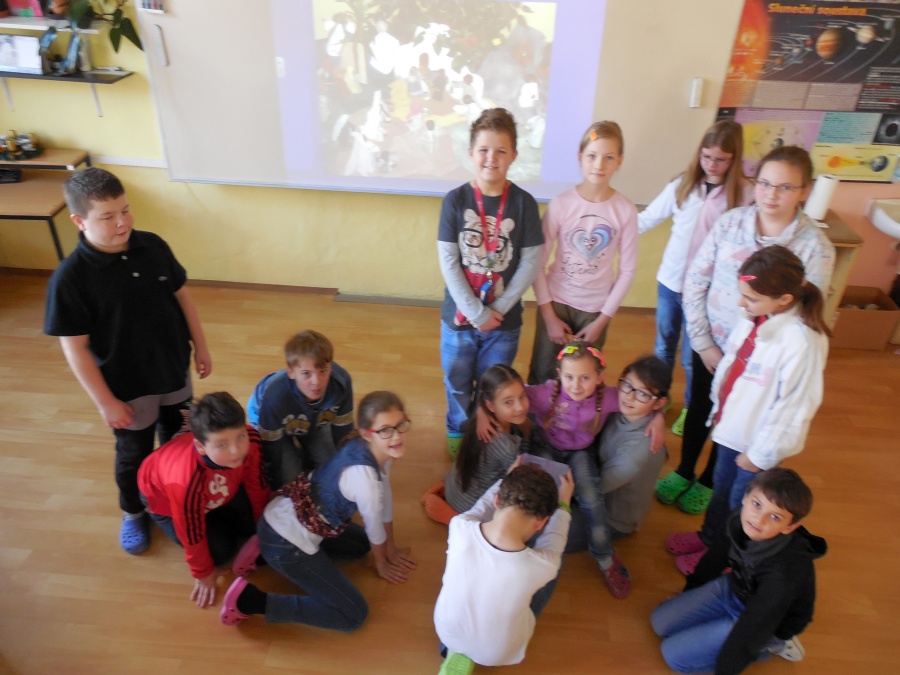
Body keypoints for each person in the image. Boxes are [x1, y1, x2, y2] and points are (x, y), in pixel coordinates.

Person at [44, 167, 212, 555]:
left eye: (125, 210)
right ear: (79, 221)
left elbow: (182, 297)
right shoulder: (71, 279)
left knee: (180, 439)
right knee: (133, 453)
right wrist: (106, 402)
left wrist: (201, 347)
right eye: (107, 217)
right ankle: (134, 511)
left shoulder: (153, 246)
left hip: (174, 372)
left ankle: (174, 497)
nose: (122, 223)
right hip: (127, 388)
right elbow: (75, 349)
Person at [670, 145, 834, 517]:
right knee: (703, 408)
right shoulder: (731, 222)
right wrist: (704, 343)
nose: (771, 194)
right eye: (764, 183)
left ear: (805, 190)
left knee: (739, 427)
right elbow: (696, 279)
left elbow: (807, 315)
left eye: (785, 187)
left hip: (762, 366)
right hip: (714, 347)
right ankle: (684, 470)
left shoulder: (816, 248)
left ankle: (710, 482)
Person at [667, 245, 830, 575]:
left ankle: (724, 562)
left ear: (784, 299)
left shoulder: (802, 341)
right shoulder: (756, 317)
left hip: (754, 446)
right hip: (731, 431)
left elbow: (794, 409)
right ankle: (710, 538)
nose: (742, 303)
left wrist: (759, 455)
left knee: (742, 508)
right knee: (721, 494)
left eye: (751, 298)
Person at [219, 391, 417, 630]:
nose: (397, 436)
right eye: (386, 430)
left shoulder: (374, 448)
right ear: (367, 433)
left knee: (362, 545)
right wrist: (382, 562)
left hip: (284, 516)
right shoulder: (366, 481)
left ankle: (261, 550)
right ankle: (250, 600)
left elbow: (384, 503)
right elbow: (375, 527)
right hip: (285, 543)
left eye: (401, 425)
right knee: (354, 614)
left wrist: (390, 548)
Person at [437, 107, 543, 459]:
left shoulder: (524, 204)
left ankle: (488, 432)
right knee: (456, 381)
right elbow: (449, 262)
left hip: (503, 321)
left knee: (493, 384)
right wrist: (476, 312)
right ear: (471, 153)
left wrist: (496, 310)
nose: (491, 158)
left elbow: (530, 262)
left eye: (501, 151)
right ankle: (458, 427)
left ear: (514, 155)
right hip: (458, 320)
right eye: (483, 149)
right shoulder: (455, 200)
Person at [638, 120, 753, 441]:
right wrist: (611, 228)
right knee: (663, 346)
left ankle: (692, 406)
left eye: (721, 159)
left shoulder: (744, 194)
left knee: (693, 356)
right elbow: (646, 219)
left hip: (707, 293)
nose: (711, 165)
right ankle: (657, 397)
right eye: (706, 157)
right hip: (670, 283)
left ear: (734, 159)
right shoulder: (683, 185)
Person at [652, 468, 826, 674]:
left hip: (769, 620)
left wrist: (727, 669)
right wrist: (690, 591)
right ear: (745, 497)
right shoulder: (738, 519)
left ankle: (772, 644)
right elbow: (714, 560)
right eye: (757, 504)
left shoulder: (784, 572)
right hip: (736, 588)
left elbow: (752, 627)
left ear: (789, 527)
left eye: (775, 517)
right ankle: (721, 627)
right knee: (660, 623)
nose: (758, 520)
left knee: (674, 657)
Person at [433, 463, 574, 672]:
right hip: (497, 653)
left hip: (446, 630)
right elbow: (556, 540)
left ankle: (452, 648)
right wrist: (564, 505)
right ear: (541, 523)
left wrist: (503, 479)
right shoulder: (544, 564)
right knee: (552, 571)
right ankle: (470, 648)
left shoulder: (460, 526)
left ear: (497, 500)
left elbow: (482, 506)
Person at [529, 121, 638, 385]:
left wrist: (602, 320)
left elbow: (627, 271)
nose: (599, 164)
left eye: (608, 157)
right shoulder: (561, 204)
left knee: (583, 379)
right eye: (592, 156)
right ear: (580, 157)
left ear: (620, 161)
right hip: (556, 303)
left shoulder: (625, 210)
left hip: (595, 311)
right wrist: (549, 317)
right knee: (544, 375)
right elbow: (537, 263)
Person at [137, 392, 270, 608]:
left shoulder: (252, 440)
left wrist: (264, 530)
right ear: (201, 447)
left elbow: (257, 484)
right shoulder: (185, 481)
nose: (236, 450)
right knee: (221, 551)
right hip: (167, 502)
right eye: (222, 444)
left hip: (215, 489)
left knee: (254, 525)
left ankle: (217, 513)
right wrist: (203, 574)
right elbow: (190, 531)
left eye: (240, 437)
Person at [421, 364, 529, 525]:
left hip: (456, 485)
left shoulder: (482, 417)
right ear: (490, 405)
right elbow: (521, 479)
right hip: (468, 507)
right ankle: (452, 518)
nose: (520, 407)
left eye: (522, 396)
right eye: (508, 402)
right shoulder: (507, 448)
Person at [246, 330, 354, 490]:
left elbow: (344, 430)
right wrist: (274, 477)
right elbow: (271, 446)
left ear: (330, 367)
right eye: (306, 374)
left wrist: (347, 463)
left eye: (323, 371)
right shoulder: (275, 397)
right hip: (271, 425)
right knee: (291, 480)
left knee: (333, 471)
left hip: (312, 421)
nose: (316, 382)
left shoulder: (341, 382)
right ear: (291, 373)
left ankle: (305, 454)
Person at [596, 355, 671, 537]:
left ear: (658, 403)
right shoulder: (621, 407)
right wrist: (659, 414)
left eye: (642, 394)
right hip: (597, 481)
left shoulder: (635, 452)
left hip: (612, 518)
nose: (629, 397)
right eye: (627, 385)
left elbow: (593, 490)